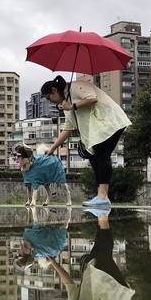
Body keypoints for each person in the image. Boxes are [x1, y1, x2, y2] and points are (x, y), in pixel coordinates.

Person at [42, 209, 135, 300]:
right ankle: (103, 216)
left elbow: (68, 283)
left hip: (101, 284)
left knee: (97, 253)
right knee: (102, 254)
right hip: (109, 291)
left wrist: (53, 263)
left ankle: (102, 217)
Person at [41, 75, 131, 207]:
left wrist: (72, 106)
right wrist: (53, 148)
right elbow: (67, 129)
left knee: (101, 154)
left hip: (111, 122)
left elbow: (92, 99)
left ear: (54, 90)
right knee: (94, 157)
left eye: (49, 98)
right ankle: (101, 196)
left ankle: (103, 196)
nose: (51, 101)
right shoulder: (66, 105)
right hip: (100, 128)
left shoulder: (76, 86)